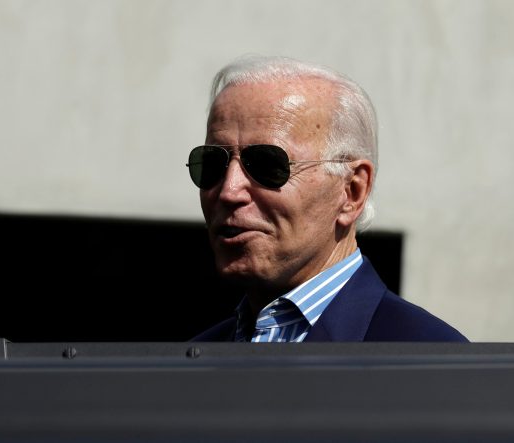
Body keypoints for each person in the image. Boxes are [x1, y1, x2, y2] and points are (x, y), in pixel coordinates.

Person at [187, 55, 468, 342]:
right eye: (212, 163)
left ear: (352, 191)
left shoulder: (429, 360)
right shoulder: (188, 365)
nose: (229, 191)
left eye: (266, 165)